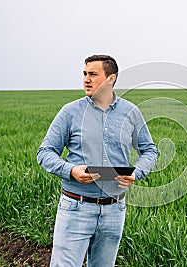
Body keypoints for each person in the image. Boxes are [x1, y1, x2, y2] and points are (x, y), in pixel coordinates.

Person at [37, 55, 158, 267]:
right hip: (76, 208)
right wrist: (71, 170)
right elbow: (45, 152)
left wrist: (136, 173)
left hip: (114, 210)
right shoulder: (70, 112)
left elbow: (149, 150)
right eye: (84, 74)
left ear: (111, 79)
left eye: (93, 74)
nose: (86, 79)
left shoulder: (130, 112)